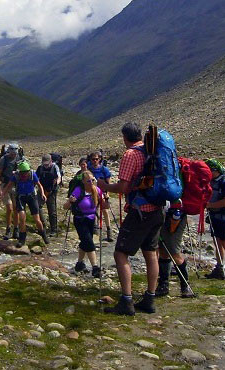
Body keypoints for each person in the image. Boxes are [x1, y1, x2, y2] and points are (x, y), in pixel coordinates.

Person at [97, 122, 163, 316]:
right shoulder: (152, 151)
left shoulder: (130, 154)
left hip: (140, 211)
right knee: (151, 252)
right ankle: (149, 298)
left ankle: (126, 301)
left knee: (120, 253)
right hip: (157, 209)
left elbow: (124, 187)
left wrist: (104, 186)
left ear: (125, 137)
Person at [64, 171, 103, 278]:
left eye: (93, 180)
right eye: (89, 181)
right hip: (80, 220)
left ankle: (79, 264)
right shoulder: (78, 191)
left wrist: (106, 198)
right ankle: (95, 267)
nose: (91, 183)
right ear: (83, 182)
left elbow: (105, 205)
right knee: (89, 243)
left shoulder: (97, 190)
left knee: (85, 241)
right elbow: (65, 206)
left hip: (91, 219)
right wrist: (70, 201)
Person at [1, 161, 49, 247]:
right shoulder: (16, 176)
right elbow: (8, 186)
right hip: (20, 197)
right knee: (22, 218)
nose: (25, 175)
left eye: (26, 172)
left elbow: (39, 185)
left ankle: (43, 234)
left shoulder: (32, 174)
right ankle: (22, 239)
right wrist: (3, 193)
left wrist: (42, 194)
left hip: (31, 197)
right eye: (23, 173)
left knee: (37, 219)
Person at [204, 159, 225, 280]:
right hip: (215, 216)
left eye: (209, 170)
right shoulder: (212, 181)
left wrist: (210, 205)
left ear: (215, 170)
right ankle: (219, 268)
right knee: (217, 243)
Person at [156, 206, 196, 297]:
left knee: (174, 252)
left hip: (174, 216)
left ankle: (185, 286)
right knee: (163, 251)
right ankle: (163, 285)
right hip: (164, 214)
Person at [0, 143, 21, 240]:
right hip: (5, 185)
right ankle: (8, 229)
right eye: (12, 153)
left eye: (15, 153)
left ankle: (16, 229)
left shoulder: (20, 158)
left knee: (16, 208)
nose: (13, 155)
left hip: (16, 186)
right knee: (9, 208)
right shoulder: (3, 159)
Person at [88, 151, 113, 242]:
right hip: (92, 193)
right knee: (93, 210)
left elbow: (108, 183)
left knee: (105, 211)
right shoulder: (89, 169)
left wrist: (108, 194)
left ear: (100, 159)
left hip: (102, 193)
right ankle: (95, 231)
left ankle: (109, 230)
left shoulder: (104, 170)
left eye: (96, 159)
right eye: (93, 159)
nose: (95, 161)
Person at [36, 154, 62, 236]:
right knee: (37, 207)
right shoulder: (40, 168)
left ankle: (54, 229)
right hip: (42, 190)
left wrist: (57, 183)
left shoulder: (55, 167)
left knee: (52, 210)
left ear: (51, 161)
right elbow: (36, 178)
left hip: (51, 191)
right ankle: (42, 226)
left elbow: (59, 177)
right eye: (44, 164)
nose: (46, 165)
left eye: (47, 163)